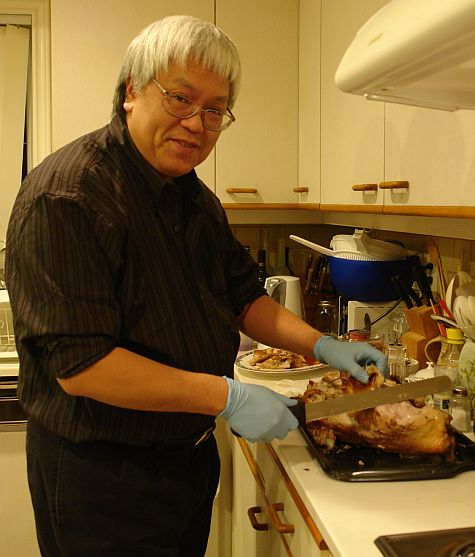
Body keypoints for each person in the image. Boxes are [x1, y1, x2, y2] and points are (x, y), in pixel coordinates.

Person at [5, 15, 387, 557]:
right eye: (181, 99)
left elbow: (241, 295)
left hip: (185, 462)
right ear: (133, 90)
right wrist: (225, 395)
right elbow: (83, 367)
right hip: (104, 479)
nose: (197, 124)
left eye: (214, 110)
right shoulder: (69, 197)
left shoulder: (192, 195)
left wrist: (323, 347)